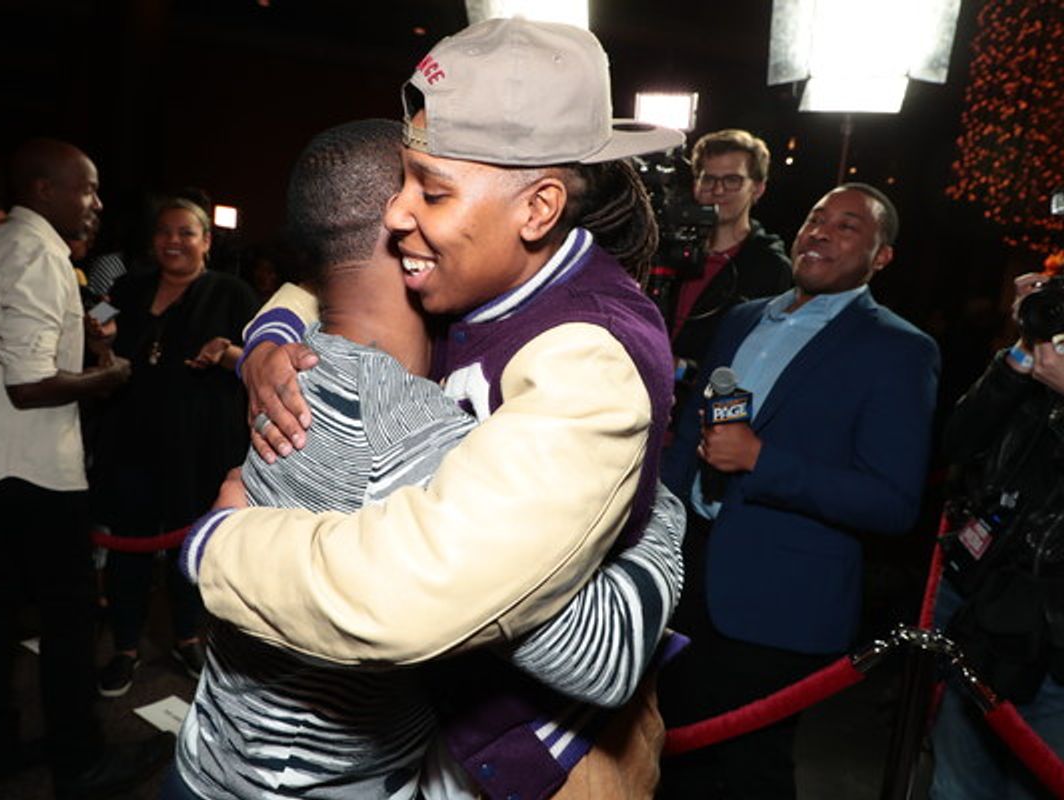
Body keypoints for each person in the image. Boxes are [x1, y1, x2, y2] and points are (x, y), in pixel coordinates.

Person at [182, 18, 685, 799]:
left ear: (538, 207)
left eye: (432, 190)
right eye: (403, 180)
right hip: (437, 732)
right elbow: (345, 274)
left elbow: (429, 592)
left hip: (543, 756)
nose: (395, 214)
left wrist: (219, 546)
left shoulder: (589, 356)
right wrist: (269, 335)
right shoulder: (480, 278)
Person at [658, 183, 940, 798]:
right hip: (687, 577)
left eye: (848, 227)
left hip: (778, 602)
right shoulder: (742, 318)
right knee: (668, 755)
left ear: (881, 257)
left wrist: (763, 461)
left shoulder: (899, 350)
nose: (821, 232)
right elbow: (688, 440)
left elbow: (892, 503)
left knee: (746, 770)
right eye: (816, 217)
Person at [0, 137, 170, 800]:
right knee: (67, 620)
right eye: (85, 188)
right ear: (42, 190)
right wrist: (107, 375)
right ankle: (78, 759)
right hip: (28, 468)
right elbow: (29, 384)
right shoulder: (34, 252)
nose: (96, 202)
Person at [929, 269, 1064, 798]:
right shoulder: (1047, 368)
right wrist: (1022, 350)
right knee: (955, 788)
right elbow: (957, 440)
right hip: (990, 617)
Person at [91, 197, 258, 697]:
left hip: (198, 444)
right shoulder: (127, 285)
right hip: (130, 438)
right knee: (129, 546)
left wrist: (226, 353)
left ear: (207, 241)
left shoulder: (233, 293)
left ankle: (187, 636)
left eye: (186, 233)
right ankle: (124, 647)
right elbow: (94, 319)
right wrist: (99, 333)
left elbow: (259, 358)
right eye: (164, 232)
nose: (173, 242)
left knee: (189, 545)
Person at [668, 129, 792, 418]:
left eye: (732, 180)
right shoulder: (669, 250)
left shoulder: (771, 267)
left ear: (757, 188)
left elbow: (757, 364)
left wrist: (682, 369)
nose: (718, 190)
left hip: (702, 422)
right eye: (708, 178)